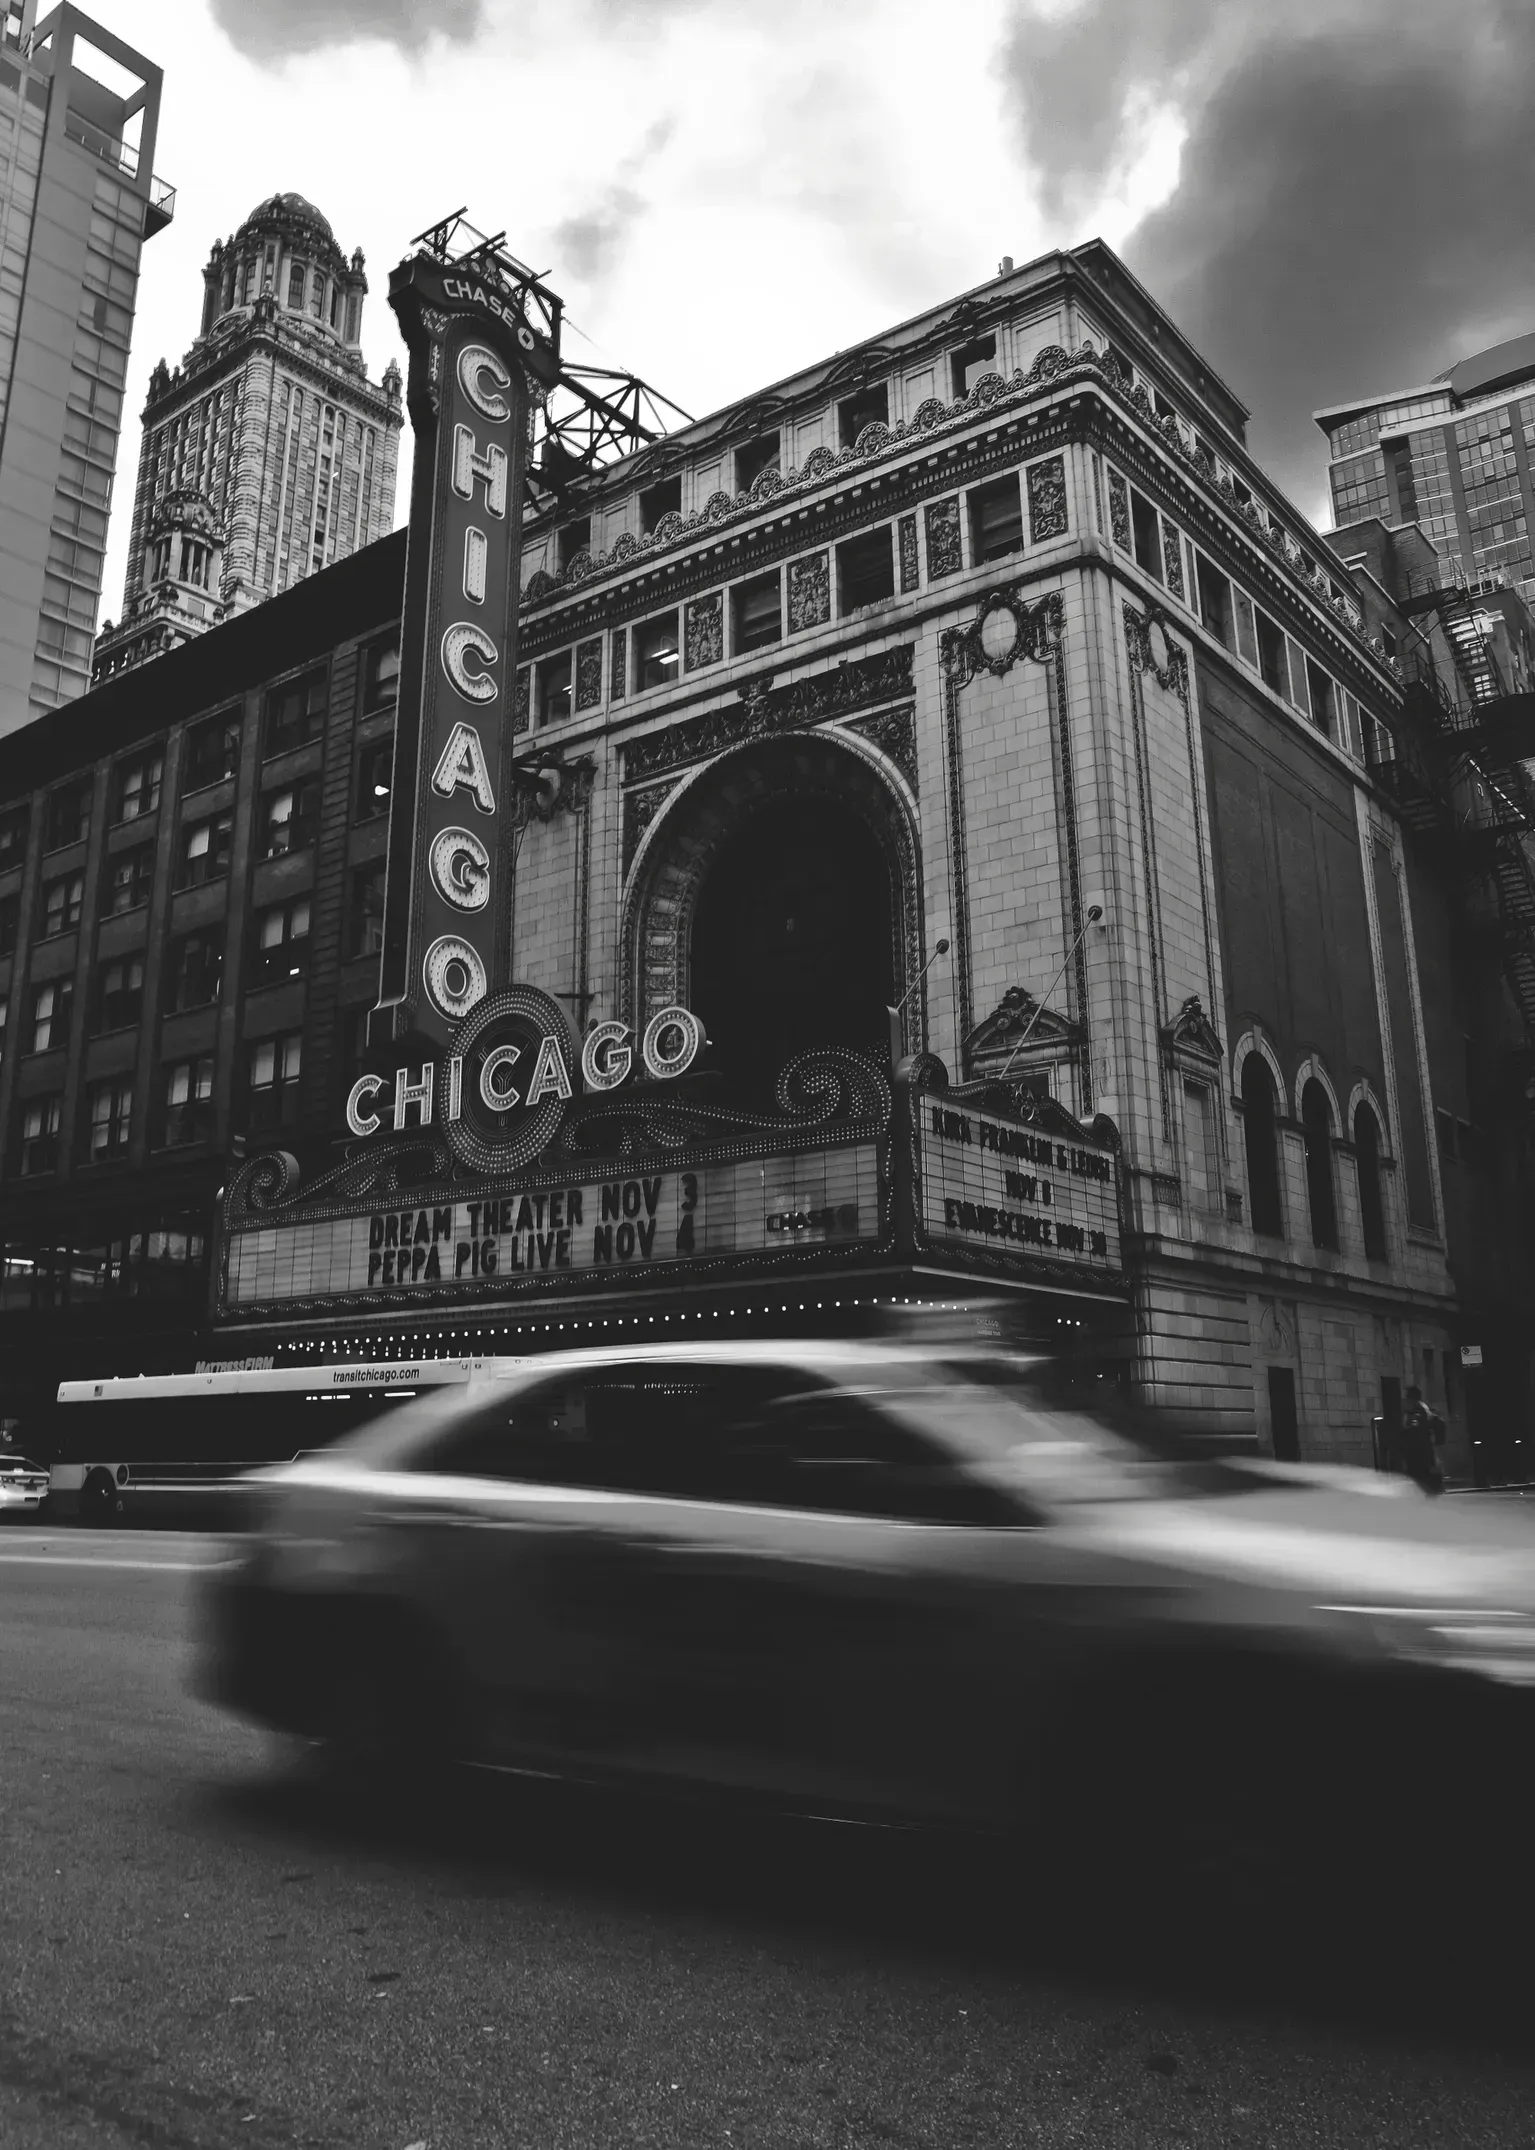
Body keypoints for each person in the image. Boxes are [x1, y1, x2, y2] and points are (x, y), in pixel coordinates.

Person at [1398, 1384, 1446, 1493]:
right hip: (1419, 1451)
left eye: (1408, 1397)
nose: (1406, 1400)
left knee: (1421, 1474)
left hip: (1419, 1451)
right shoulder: (1419, 1410)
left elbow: (1414, 1431)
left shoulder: (1418, 1412)